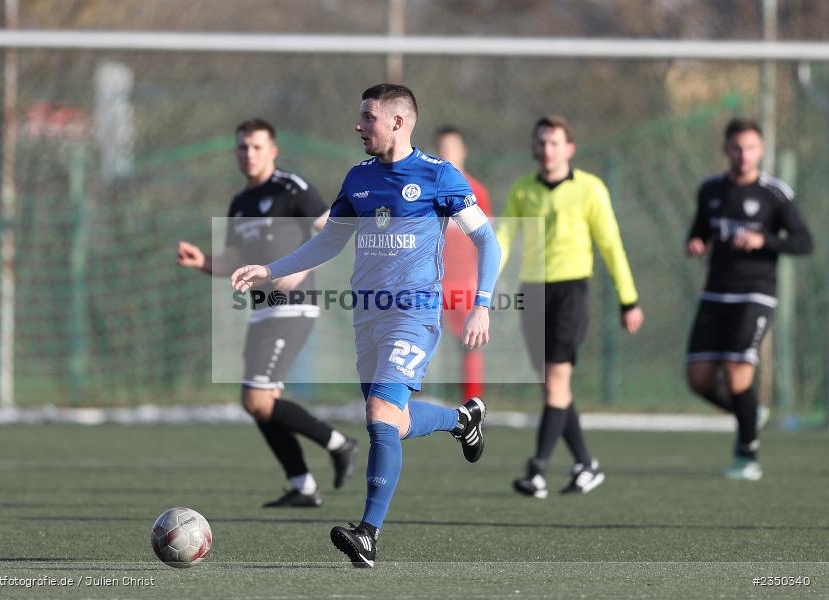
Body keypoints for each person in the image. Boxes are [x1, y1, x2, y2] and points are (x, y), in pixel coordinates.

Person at [231, 84, 501, 567]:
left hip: (414, 313)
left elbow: (487, 240)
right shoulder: (358, 178)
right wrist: (270, 269)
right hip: (366, 316)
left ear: (398, 121)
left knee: (379, 415)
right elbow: (329, 242)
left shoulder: (439, 175)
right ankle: (463, 420)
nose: (358, 126)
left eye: (368, 117)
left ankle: (368, 533)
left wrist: (482, 303)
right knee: (395, 421)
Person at [176, 118, 359, 508]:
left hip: (294, 306)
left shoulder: (291, 187)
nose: (249, 154)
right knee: (262, 406)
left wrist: (300, 269)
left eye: (257, 146)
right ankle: (303, 485)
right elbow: (233, 260)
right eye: (242, 147)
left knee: (256, 400)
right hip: (261, 311)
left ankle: (339, 443)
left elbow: (332, 231)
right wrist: (202, 261)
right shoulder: (240, 203)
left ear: (272, 150)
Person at [497, 115, 644, 499]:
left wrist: (628, 298)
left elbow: (611, 244)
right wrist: (486, 281)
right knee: (554, 387)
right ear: (534, 147)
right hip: (532, 292)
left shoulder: (590, 188)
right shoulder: (522, 189)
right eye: (542, 142)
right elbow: (505, 237)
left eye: (555, 143)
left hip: (571, 293)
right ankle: (586, 464)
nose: (548, 150)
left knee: (557, 381)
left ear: (569, 148)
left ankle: (538, 471)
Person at [685, 118, 812, 481]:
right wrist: (695, 243)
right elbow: (700, 231)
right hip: (715, 293)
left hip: (755, 293)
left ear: (761, 150)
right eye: (737, 148)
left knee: (737, 371)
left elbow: (804, 242)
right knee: (698, 379)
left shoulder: (775, 193)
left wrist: (764, 241)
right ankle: (749, 412)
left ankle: (747, 455)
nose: (744, 155)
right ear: (726, 149)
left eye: (751, 148)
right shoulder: (710, 189)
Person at [435, 126, 494, 402]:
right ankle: (402, 404)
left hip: (463, 285)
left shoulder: (476, 191)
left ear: (463, 152)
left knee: (470, 343)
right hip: (430, 282)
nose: (447, 154)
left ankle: (472, 405)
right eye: (442, 149)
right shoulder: (426, 189)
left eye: (452, 148)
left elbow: (487, 243)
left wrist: (482, 281)